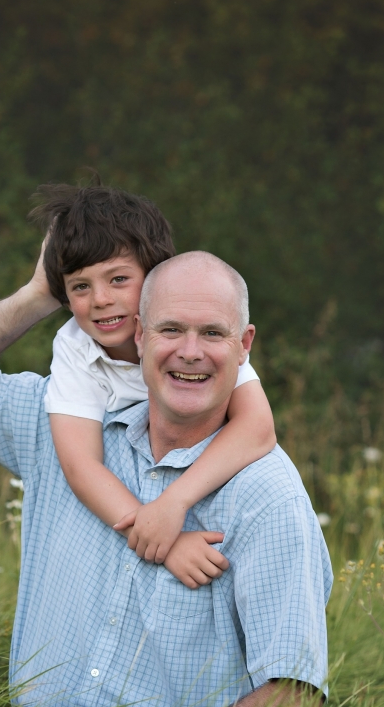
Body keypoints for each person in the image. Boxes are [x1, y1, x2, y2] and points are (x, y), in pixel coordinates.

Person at [0, 235, 333, 707]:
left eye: (212, 333)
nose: (190, 351)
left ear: (244, 344)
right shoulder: (61, 421)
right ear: (140, 335)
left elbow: (297, 695)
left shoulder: (266, 495)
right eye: (170, 330)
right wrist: (37, 293)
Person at [33, 182, 277, 589]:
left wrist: (176, 500)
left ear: (154, 280)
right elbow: (81, 465)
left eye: (118, 279)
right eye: (80, 286)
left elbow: (258, 428)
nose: (100, 300)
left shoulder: (196, 339)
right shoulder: (76, 346)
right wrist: (163, 540)